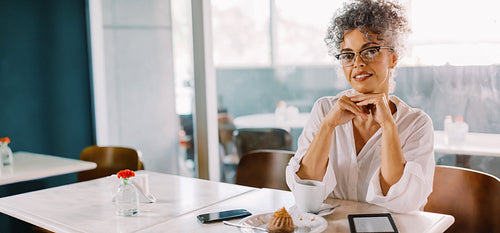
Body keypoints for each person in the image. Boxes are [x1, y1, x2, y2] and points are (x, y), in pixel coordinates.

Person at [285, 0, 435, 213]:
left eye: (370, 51)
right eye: (348, 55)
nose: (358, 63)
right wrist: (328, 126)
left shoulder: (417, 123)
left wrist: (388, 126)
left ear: (393, 58)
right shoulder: (324, 109)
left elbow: (403, 203)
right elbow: (305, 194)